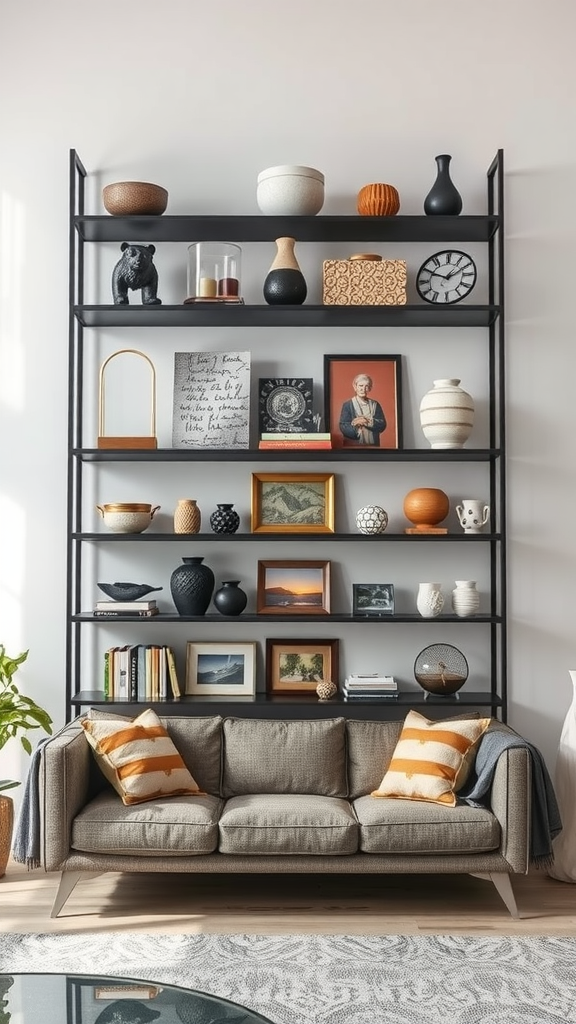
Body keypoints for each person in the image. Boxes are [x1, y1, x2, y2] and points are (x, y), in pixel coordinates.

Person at [339, 373, 386, 446]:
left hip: (373, 447)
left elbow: (382, 425)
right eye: (360, 386)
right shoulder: (348, 405)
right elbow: (343, 426)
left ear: (370, 388)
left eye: (366, 386)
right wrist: (356, 426)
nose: (363, 389)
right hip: (353, 447)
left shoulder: (375, 404)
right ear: (355, 387)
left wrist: (366, 422)